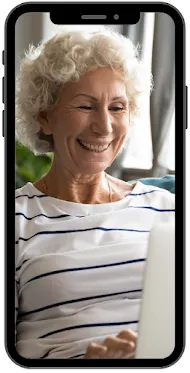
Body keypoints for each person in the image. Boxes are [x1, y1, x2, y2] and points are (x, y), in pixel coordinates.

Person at [15, 26, 175, 359]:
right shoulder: (14, 221)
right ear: (45, 116)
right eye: (86, 107)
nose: (104, 127)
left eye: (117, 108)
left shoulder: (169, 209)